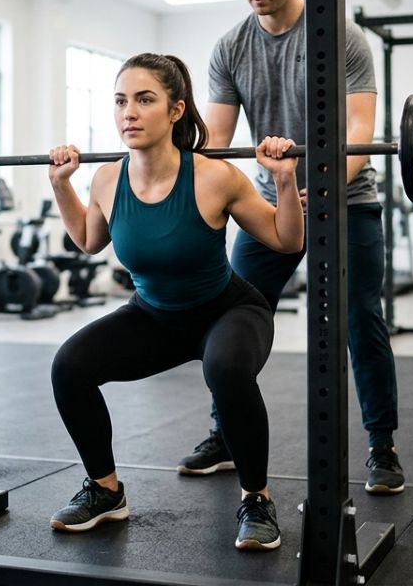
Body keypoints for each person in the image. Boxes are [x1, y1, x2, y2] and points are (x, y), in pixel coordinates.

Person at [178, 0, 405, 495]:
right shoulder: (230, 47)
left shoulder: (343, 38)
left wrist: (323, 188)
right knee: (231, 315)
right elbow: (218, 144)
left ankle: (382, 445)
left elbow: (359, 130)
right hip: (268, 205)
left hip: (348, 199)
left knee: (361, 321)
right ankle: (225, 435)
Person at [46, 52, 302, 551]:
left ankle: (256, 499)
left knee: (226, 369)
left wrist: (286, 180)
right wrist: (60, 185)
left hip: (227, 312)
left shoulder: (213, 177)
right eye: (121, 101)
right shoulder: (106, 179)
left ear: (176, 110)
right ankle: (105, 491)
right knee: (69, 367)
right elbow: (87, 240)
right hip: (154, 317)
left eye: (145, 100)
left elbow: (286, 240)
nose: (129, 113)